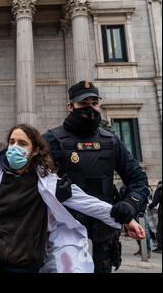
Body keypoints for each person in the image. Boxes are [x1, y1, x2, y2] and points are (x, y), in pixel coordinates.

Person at [0, 124, 145, 273]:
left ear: (34, 150)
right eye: (11, 142)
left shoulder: (46, 179)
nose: (14, 147)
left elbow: (86, 202)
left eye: (22, 143)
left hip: (26, 261)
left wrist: (126, 218)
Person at [43, 80, 150, 273]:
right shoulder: (52, 139)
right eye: (84, 103)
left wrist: (131, 204)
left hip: (103, 234)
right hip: (66, 231)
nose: (90, 108)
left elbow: (138, 179)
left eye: (94, 103)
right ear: (70, 106)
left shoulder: (111, 140)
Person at [149, 181, 162, 253]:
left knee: (160, 230)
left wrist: (149, 207)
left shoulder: (159, 189)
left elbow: (155, 202)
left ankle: (160, 247)